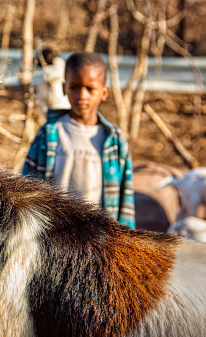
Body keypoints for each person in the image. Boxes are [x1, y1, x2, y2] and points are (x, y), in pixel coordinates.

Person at [22, 51, 135, 229]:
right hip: (55, 235)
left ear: (104, 92)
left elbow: (125, 199)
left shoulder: (114, 140)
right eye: (74, 87)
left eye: (90, 89)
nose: (82, 95)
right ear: (64, 89)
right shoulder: (49, 133)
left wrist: (126, 241)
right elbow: (27, 188)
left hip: (99, 237)